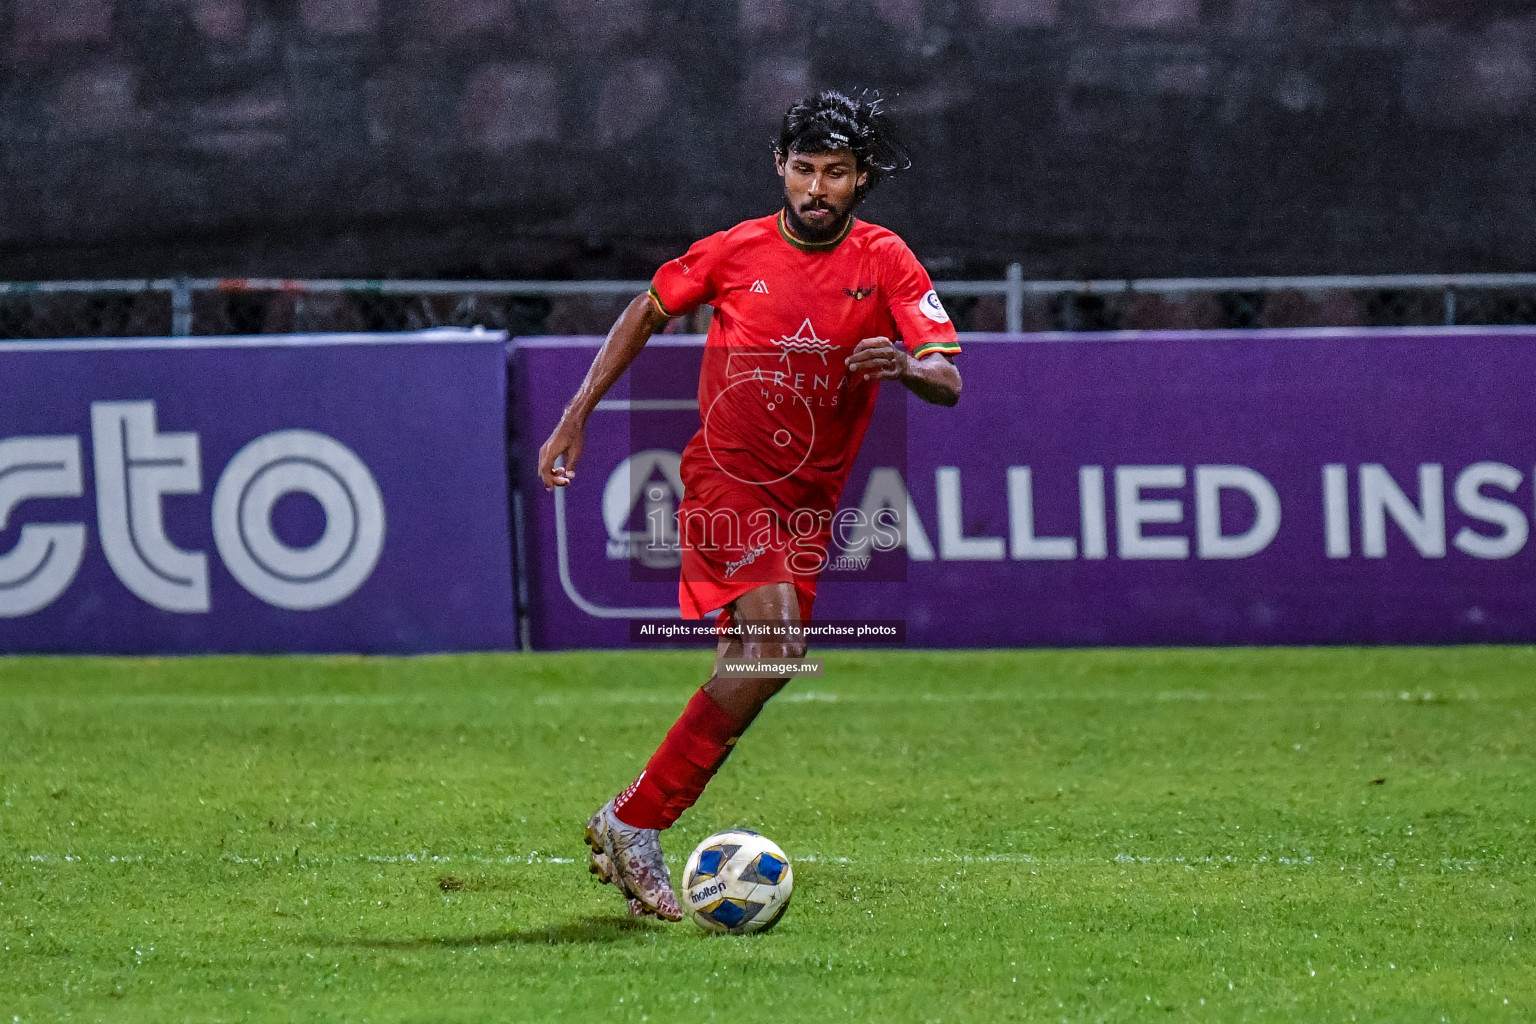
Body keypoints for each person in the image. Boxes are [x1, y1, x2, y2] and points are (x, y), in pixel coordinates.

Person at [537, 89, 963, 920]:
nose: (814, 188)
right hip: (727, 483)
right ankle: (634, 824)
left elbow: (947, 373)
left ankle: (632, 817)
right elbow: (647, 310)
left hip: (808, 507)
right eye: (802, 169)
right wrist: (576, 412)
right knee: (774, 648)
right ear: (779, 166)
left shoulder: (887, 262)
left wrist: (907, 367)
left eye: (834, 173)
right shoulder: (736, 251)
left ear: (860, 178)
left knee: (761, 670)